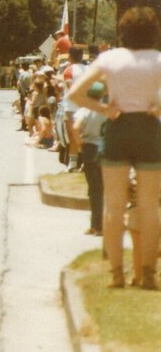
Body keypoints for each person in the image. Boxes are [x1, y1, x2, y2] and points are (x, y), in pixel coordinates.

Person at [67, 6, 161, 290]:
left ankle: (117, 274)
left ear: (123, 32)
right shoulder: (158, 60)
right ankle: (147, 273)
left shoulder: (110, 58)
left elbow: (75, 93)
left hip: (118, 128)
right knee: (149, 205)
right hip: (148, 128)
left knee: (113, 204)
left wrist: (105, 109)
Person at [74, 81, 108, 237]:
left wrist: (80, 143)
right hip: (105, 148)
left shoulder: (85, 110)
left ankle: (97, 225)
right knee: (103, 187)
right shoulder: (105, 110)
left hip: (90, 147)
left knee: (94, 188)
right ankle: (101, 223)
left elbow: (75, 128)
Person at [61, 45, 87, 171]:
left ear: (70, 56)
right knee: (85, 135)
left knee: (72, 136)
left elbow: (71, 87)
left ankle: (73, 163)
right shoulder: (89, 69)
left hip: (71, 107)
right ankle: (84, 162)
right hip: (87, 106)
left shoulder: (68, 70)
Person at [16, 62, 33, 131]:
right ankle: (28, 125)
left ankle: (23, 125)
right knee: (29, 109)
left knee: (23, 110)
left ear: (22, 67)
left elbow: (19, 84)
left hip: (24, 94)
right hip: (30, 93)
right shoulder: (30, 74)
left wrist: (22, 94)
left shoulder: (21, 75)